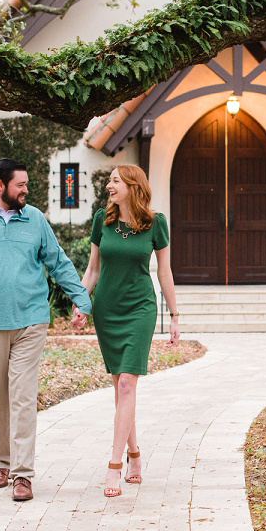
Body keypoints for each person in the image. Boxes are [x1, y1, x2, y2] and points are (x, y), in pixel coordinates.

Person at [0, 158, 91, 502]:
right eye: (20, 185)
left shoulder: (34, 219)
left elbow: (58, 261)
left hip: (30, 322)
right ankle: (2, 464)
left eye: (26, 184)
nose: (26, 190)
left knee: (22, 395)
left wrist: (81, 299)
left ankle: (23, 475)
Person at [82, 165, 179, 498]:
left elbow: (164, 272)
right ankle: (135, 454)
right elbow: (93, 269)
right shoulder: (102, 221)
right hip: (107, 310)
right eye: (108, 179)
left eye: (114, 180)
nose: (108, 185)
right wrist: (82, 304)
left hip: (140, 309)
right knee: (120, 387)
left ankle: (114, 466)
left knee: (127, 383)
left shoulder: (156, 224)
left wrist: (174, 315)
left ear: (133, 186)